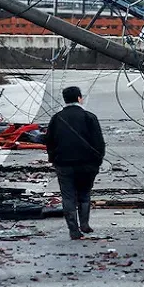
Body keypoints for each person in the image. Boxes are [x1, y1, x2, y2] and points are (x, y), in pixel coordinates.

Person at [43, 85, 106, 239]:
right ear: (79, 98)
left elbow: (49, 141)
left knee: (68, 196)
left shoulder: (57, 118)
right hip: (87, 164)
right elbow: (99, 142)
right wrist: (97, 162)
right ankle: (85, 224)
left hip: (64, 164)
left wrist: (53, 159)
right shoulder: (89, 117)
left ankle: (73, 230)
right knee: (84, 193)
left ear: (65, 100)